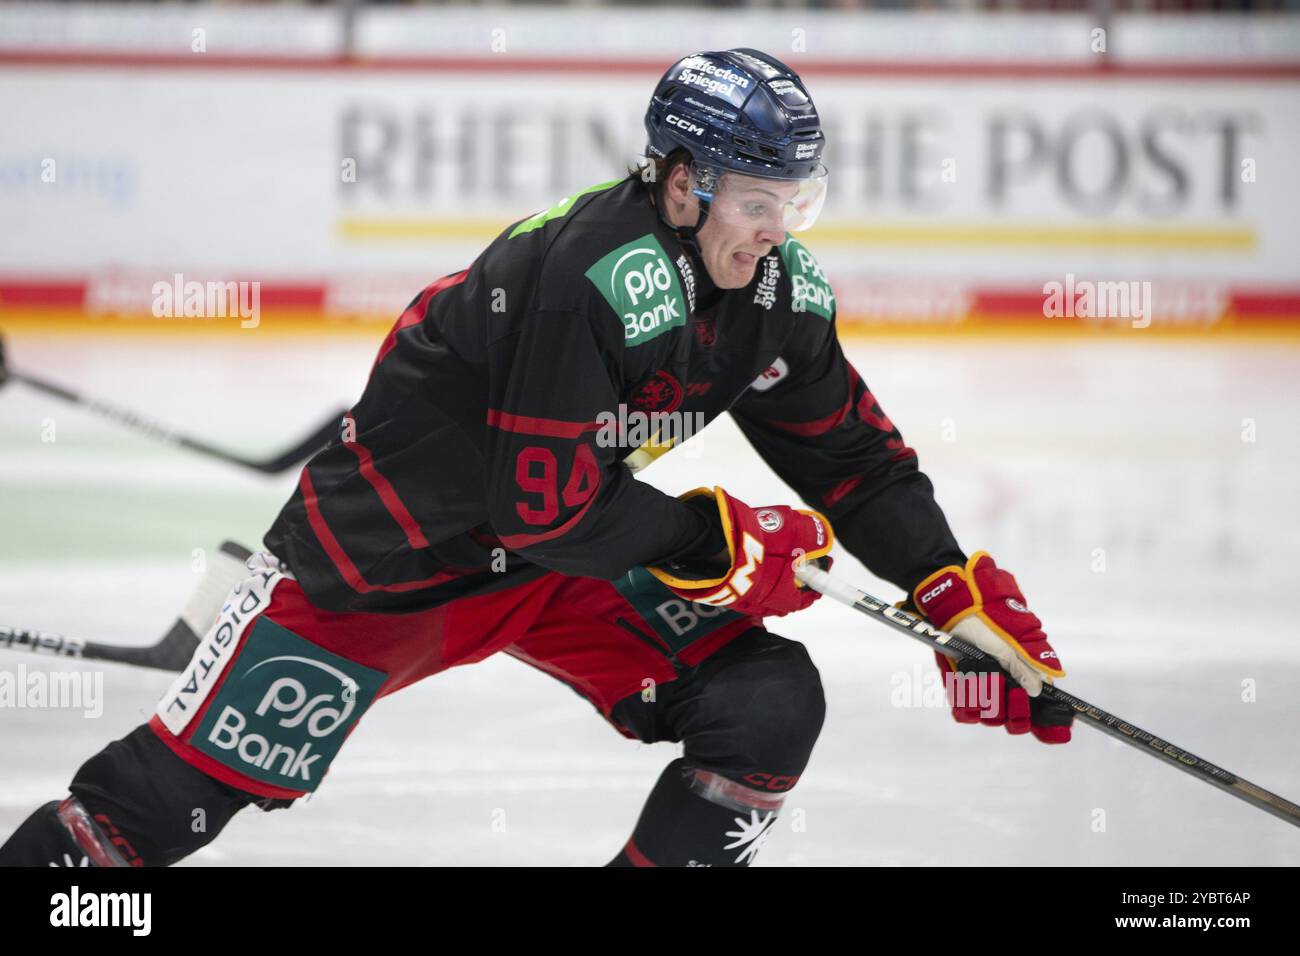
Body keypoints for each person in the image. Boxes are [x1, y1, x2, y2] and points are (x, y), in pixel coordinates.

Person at [0, 48, 1071, 868]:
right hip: (381, 567)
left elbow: (852, 460)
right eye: (756, 202)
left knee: (763, 703)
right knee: (143, 820)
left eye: (798, 203)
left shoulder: (776, 295)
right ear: (684, 180)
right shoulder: (593, 273)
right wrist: (722, 539)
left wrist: (947, 585)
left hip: (553, 566)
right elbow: (542, 508)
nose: (776, 233)